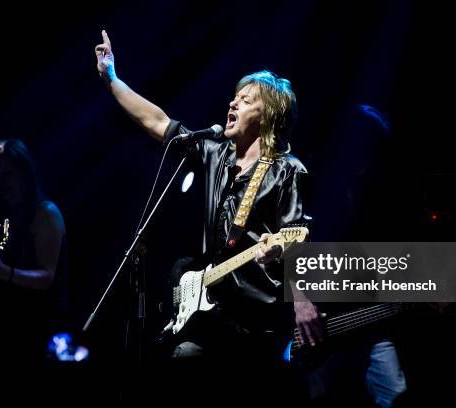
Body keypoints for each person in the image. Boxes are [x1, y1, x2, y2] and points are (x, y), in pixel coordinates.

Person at [95, 30, 311, 397]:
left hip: (258, 322)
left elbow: (297, 241)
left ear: (269, 115)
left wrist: (304, 301)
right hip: (211, 310)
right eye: (234, 97)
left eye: (245, 101)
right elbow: (157, 122)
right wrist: (112, 78)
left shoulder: (286, 170)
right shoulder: (215, 153)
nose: (232, 104)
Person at [294, 104, 407, 407]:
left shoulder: (375, 194)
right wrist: (301, 302)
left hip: (367, 316)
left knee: (394, 393)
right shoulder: (310, 182)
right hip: (317, 327)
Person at [0, 139, 68, 397]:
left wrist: (3, 272)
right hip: (9, 334)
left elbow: (47, 277)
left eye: (8, 173)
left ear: (24, 171)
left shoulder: (46, 212)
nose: (2, 183)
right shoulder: (7, 216)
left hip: (40, 332)